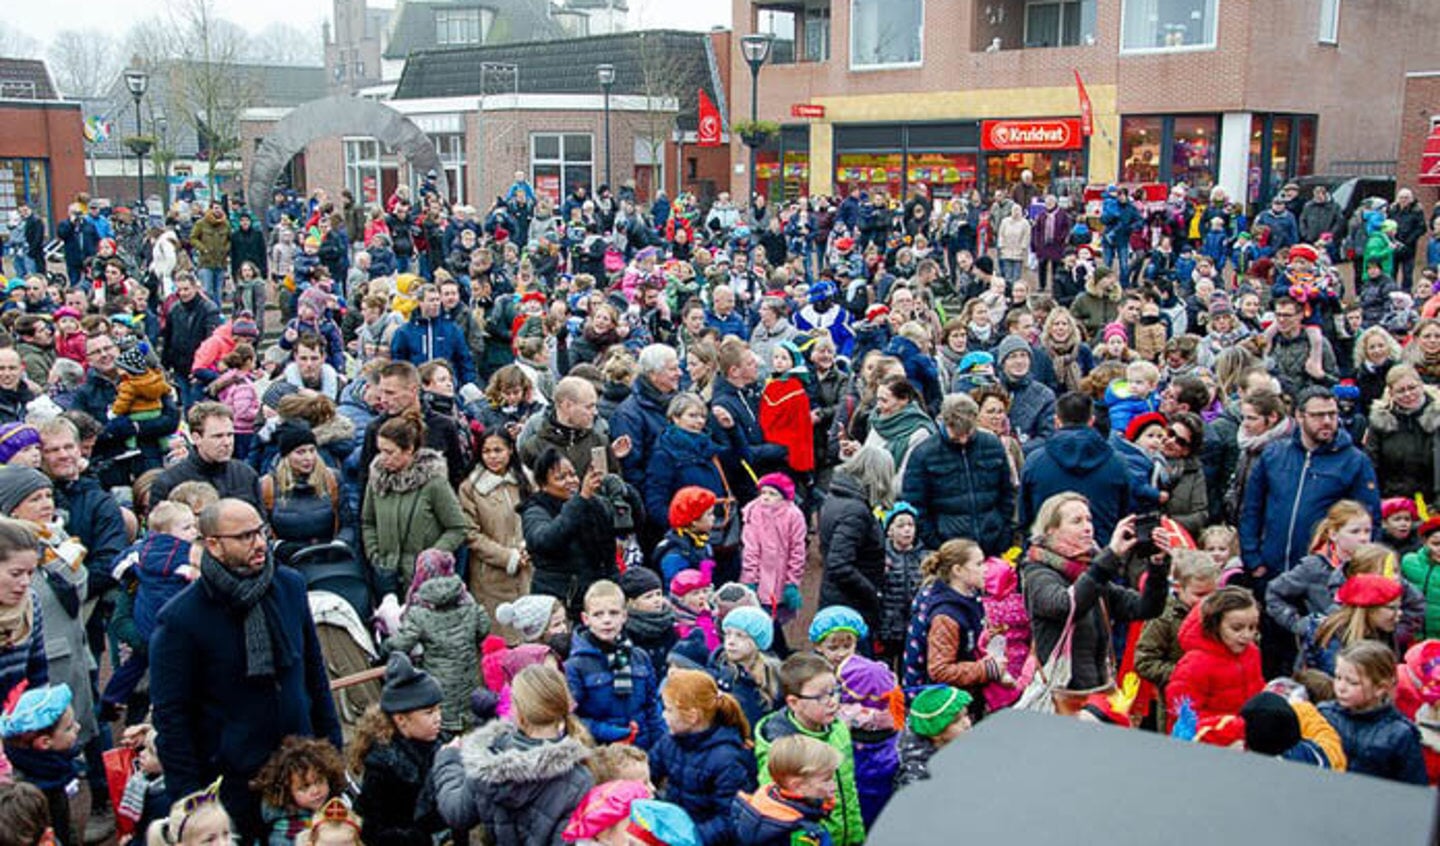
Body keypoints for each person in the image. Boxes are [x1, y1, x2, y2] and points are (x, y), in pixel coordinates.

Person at [149, 498, 342, 839]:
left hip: (302, 771)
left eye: (261, 532)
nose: (259, 543)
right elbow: (172, 717)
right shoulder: (181, 619)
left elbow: (314, 675)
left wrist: (333, 752)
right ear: (213, 545)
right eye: (245, 537)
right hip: (233, 781)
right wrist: (191, 799)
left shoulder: (290, 586)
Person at [1021, 493, 1171, 712]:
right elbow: (1066, 606)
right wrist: (1110, 556)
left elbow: (1146, 608)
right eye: (1076, 521)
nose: (1087, 528)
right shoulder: (1038, 571)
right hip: (1063, 696)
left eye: (1089, 519)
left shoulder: (1091, 571)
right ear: (1051, 530)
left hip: (1098, 693)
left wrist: (1157, 564)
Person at [432, 664, 594, 843]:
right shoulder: (580, 780)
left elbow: (456, 812)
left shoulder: (489, 757)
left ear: (518, 713)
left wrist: (448, 760)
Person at [753, 653, 864, 846]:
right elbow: (779, 810)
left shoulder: (838, 729)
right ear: (794, 703)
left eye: (835, 691)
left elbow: (848, 788)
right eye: (821, 696)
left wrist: (856, 834)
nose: (832, 701)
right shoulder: (783, 749)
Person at [361, 412, 468, 597]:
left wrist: (432, 558)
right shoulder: (376, 479)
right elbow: (368, 521)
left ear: (409, 449)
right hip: (386, 578)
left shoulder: (434, 483)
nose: (382, 458)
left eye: (389, 452)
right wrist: (375, 555)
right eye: (380, 451)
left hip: (427, 582)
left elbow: (458, 527)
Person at [382, 549, 490, 731]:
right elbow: (483, 629)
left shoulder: (419, 610)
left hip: (439, 687)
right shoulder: (467, 600)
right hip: (471, 682)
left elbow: (402, 644)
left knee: (444, 733)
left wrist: (385, 647)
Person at [349, 653, 451, 846]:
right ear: (401, 720)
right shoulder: (383, 766)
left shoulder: (442, 744)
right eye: (429, 712)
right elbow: (378, 829)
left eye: (439, 709)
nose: (438, 717)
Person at [901, 538, 1008, 715]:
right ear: (957, 570)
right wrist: (987, 669)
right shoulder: (946, 616)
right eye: (979, 564)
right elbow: (940, 670)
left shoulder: (971, 598)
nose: (986, 569)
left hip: (965, 699)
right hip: (946, 709)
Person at [650, 668, 756, 844]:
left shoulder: (727, 760)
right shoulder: (669, 741)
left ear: (692, 717)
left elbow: (732, 817)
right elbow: (649, 772)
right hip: (674, 830)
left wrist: (692, 836)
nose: (663, 716)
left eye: (668, 710)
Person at [901, 393, 1015, 557]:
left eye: (968, 433)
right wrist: (936, 543)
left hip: (993, 543)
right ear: (945, 422)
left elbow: (1007, 493)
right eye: (957, 435)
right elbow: (915, 504)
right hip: (949, 547)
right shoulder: (924, 454)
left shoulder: (992, 446)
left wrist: (1004, 533)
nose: (963, 440)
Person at [1020, 392, 1131, 545]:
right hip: (1104, 553)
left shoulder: (1034, 461)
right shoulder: (1118, 462)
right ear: (1091, 421)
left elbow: (1024, 517)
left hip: (1048, 553)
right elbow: (1126, 514)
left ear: (1057, 422)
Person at [567, 580, 666, 749]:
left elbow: (651, 708)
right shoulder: (576, 666)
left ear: (624, 616)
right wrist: (609, 732)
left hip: (641, 747)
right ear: (586, 619)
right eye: (598, 614)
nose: (607, 620)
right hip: (602, 750)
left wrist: (660, 746)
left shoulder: (639, 657)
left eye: (613, 613)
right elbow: (572, 718)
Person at [522, 447, 620, 617]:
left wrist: (622, 491)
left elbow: (628, 525)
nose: (571, 481)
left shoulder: (592, 502)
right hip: (562, 599)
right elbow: (545, 540)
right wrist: (580, 500)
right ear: (543, 485)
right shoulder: (535, 510)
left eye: (573, 475)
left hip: (597, 596)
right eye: (560, 478)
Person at [1134, 550, 1222, 728]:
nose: (1205, 602)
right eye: (1199, 594)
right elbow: (1144, 661)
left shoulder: (1220, 612)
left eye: (1211, 595)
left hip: (1216, 700)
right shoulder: (1164, 616)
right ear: (1178, 588)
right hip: (1176, 706)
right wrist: (1184, 674)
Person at [1319, 641, 1428, 784]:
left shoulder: (1400, 734)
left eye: (1352, 682)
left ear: (1380, 688)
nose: (1341, 687)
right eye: (1338, 677)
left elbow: (1414, 788)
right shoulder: (1324, 715)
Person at [458, 430, 532, 623]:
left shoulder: (526, 481)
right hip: (491, 576)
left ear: (510, 450)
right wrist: (507, 556)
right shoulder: (470, 488)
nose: (492, 457)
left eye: (498, 450)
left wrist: (528, 548)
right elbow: (470, 533)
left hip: (528, 570)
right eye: (486, 451)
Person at [1165, 587, 1264, 730]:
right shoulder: (1195, 664)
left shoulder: (1252, 653)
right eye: (1237, 628)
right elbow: (1184, 715)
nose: (1247, 635)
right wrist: (1228, 728)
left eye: (1252, 627)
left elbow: (1257, 689)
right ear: (1215, 624)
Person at [819, 447, 892, 637]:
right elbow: (839, 564)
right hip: (851, 606)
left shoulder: (836, 497)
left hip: (837, 598)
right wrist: (872, 591)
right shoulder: (855, 510)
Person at [150, 402, 263, 511]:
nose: (227, 442)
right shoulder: (169, 482)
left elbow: (262, 521)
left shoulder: (246, 474)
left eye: (230, 435)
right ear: (196, 438)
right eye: (218, 436)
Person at [731, 735, 840, 846]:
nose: (834, 786)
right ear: (798, 786)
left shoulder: (766, 800)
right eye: (826, 781)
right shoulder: (800, 834)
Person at [260, 421, 342, 567]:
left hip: (328, 557)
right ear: (286, 456)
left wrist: (340, 543)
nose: (308, 458)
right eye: (300, 452)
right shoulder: (267, 485)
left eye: (312, 450)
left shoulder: (332, 479)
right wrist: (278, 546)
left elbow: (348, 521)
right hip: (288, 561)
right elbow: (261, 527)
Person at [249, 736, 347, 846]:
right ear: (287, 792)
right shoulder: (285, 831)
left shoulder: (340, 808)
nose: (315, 791)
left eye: (319, 781)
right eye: (304, 788)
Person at [1364, 365, 1440, 502]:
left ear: (1421, 385)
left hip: (1433, 499)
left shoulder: (1437, 416)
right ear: (1391, 394)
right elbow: (1371, 464)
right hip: (1394, 500)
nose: (1408, 395)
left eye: (1412, 388)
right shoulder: (1380, 423)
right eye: (1400, 391)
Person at [740, 473, 806, 624]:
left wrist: (792, 582)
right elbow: (750, 548)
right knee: (760, 616)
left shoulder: (794, 515)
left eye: (772, 494)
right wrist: (750, 579)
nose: (766, 497)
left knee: (779, 617)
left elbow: (797, 550)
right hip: (760, 575)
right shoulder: (753, 512)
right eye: (763, 492)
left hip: (782, 575)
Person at [892, 685, 972, 790]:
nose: (967, 724)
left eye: (966, 715)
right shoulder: (918, 775)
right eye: (956, 721)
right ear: (936, 733)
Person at [161, 272, 222, 408]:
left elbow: (211, 341)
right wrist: (165, 365)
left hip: (200, 367)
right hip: (180, 366)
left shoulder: (208, 309)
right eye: (180, 290)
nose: (183, 293)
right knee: (187, 405)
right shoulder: (174, 309)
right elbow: (168, 339)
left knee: (197, 406)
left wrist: (202, 367)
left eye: (186, 289)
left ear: (195, 288)